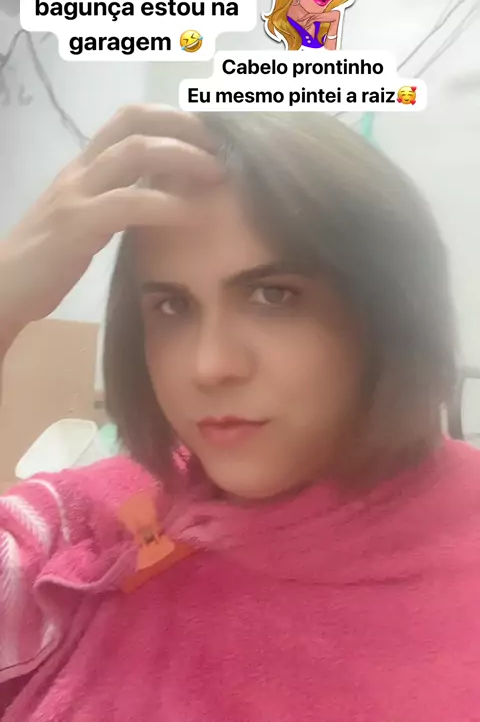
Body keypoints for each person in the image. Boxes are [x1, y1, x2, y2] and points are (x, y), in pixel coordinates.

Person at [0, 106, 479, 722]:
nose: (209, 366)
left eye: (273, 295)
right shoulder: (97, 520)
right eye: (172, 306)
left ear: (388, 312)